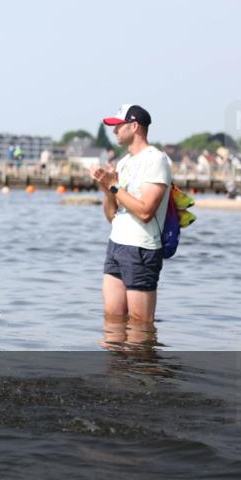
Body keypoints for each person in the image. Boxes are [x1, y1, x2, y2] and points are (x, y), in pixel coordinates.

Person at [91, 105, 171, 325]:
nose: (114, 131)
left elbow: (146, 211)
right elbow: (112, 216)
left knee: (140, 325)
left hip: (141, 247)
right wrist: (107, 190)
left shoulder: (155, 160)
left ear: (134, 126)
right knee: (112, 321)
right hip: (116, 244)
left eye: (118, 126)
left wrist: (115, 187)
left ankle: (143, 361)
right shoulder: (124, 162)